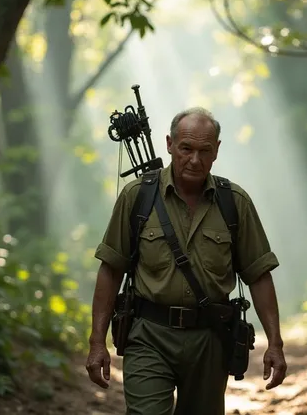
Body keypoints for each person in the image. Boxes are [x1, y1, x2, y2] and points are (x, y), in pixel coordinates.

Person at [85, 107, 287, 415]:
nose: (195, 159)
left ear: (216, 151)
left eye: (205, 150)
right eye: (186, 149)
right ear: (169, 144)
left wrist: (275, 343)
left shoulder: (234, 202)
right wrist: (97, 342)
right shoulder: (137, 196)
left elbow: (258, 275)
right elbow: (111, 269)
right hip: (149, 335)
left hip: (210, 340)